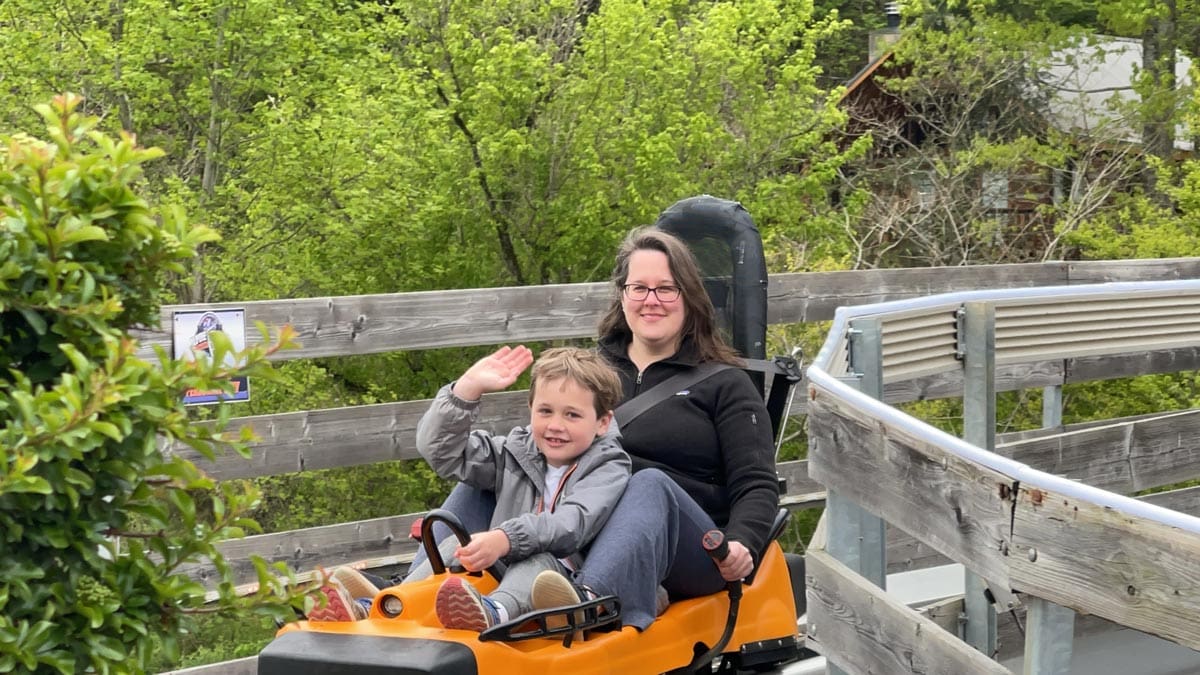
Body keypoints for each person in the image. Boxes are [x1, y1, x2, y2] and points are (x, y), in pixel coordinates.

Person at [399, 226, 779, 633]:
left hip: (683, 544)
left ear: (688, 296)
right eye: (639, 288)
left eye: (666, 289)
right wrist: (466, 391)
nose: (652, 301)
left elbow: (757, 484)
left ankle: (589, 602)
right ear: (622, 295)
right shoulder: (591, 371)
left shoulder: (724, 383)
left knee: (647, 482)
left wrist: (742, 543)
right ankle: (406, 597)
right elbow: (534, 451)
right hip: (579, 526)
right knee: (493, 474)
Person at [310, 346, 630, 631]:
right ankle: (384, 606)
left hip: (560, 579)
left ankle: (495, 612)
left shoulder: (607, 464)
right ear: (530, 409)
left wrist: (505, 538)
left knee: (537, 562)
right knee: (452, 548)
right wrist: (466, 391)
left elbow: (570, 525)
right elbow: (442, 452)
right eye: (545, 411)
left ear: (602, 422)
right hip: (501, 562)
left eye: (572, 415)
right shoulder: (515, 451)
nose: (555, 425)